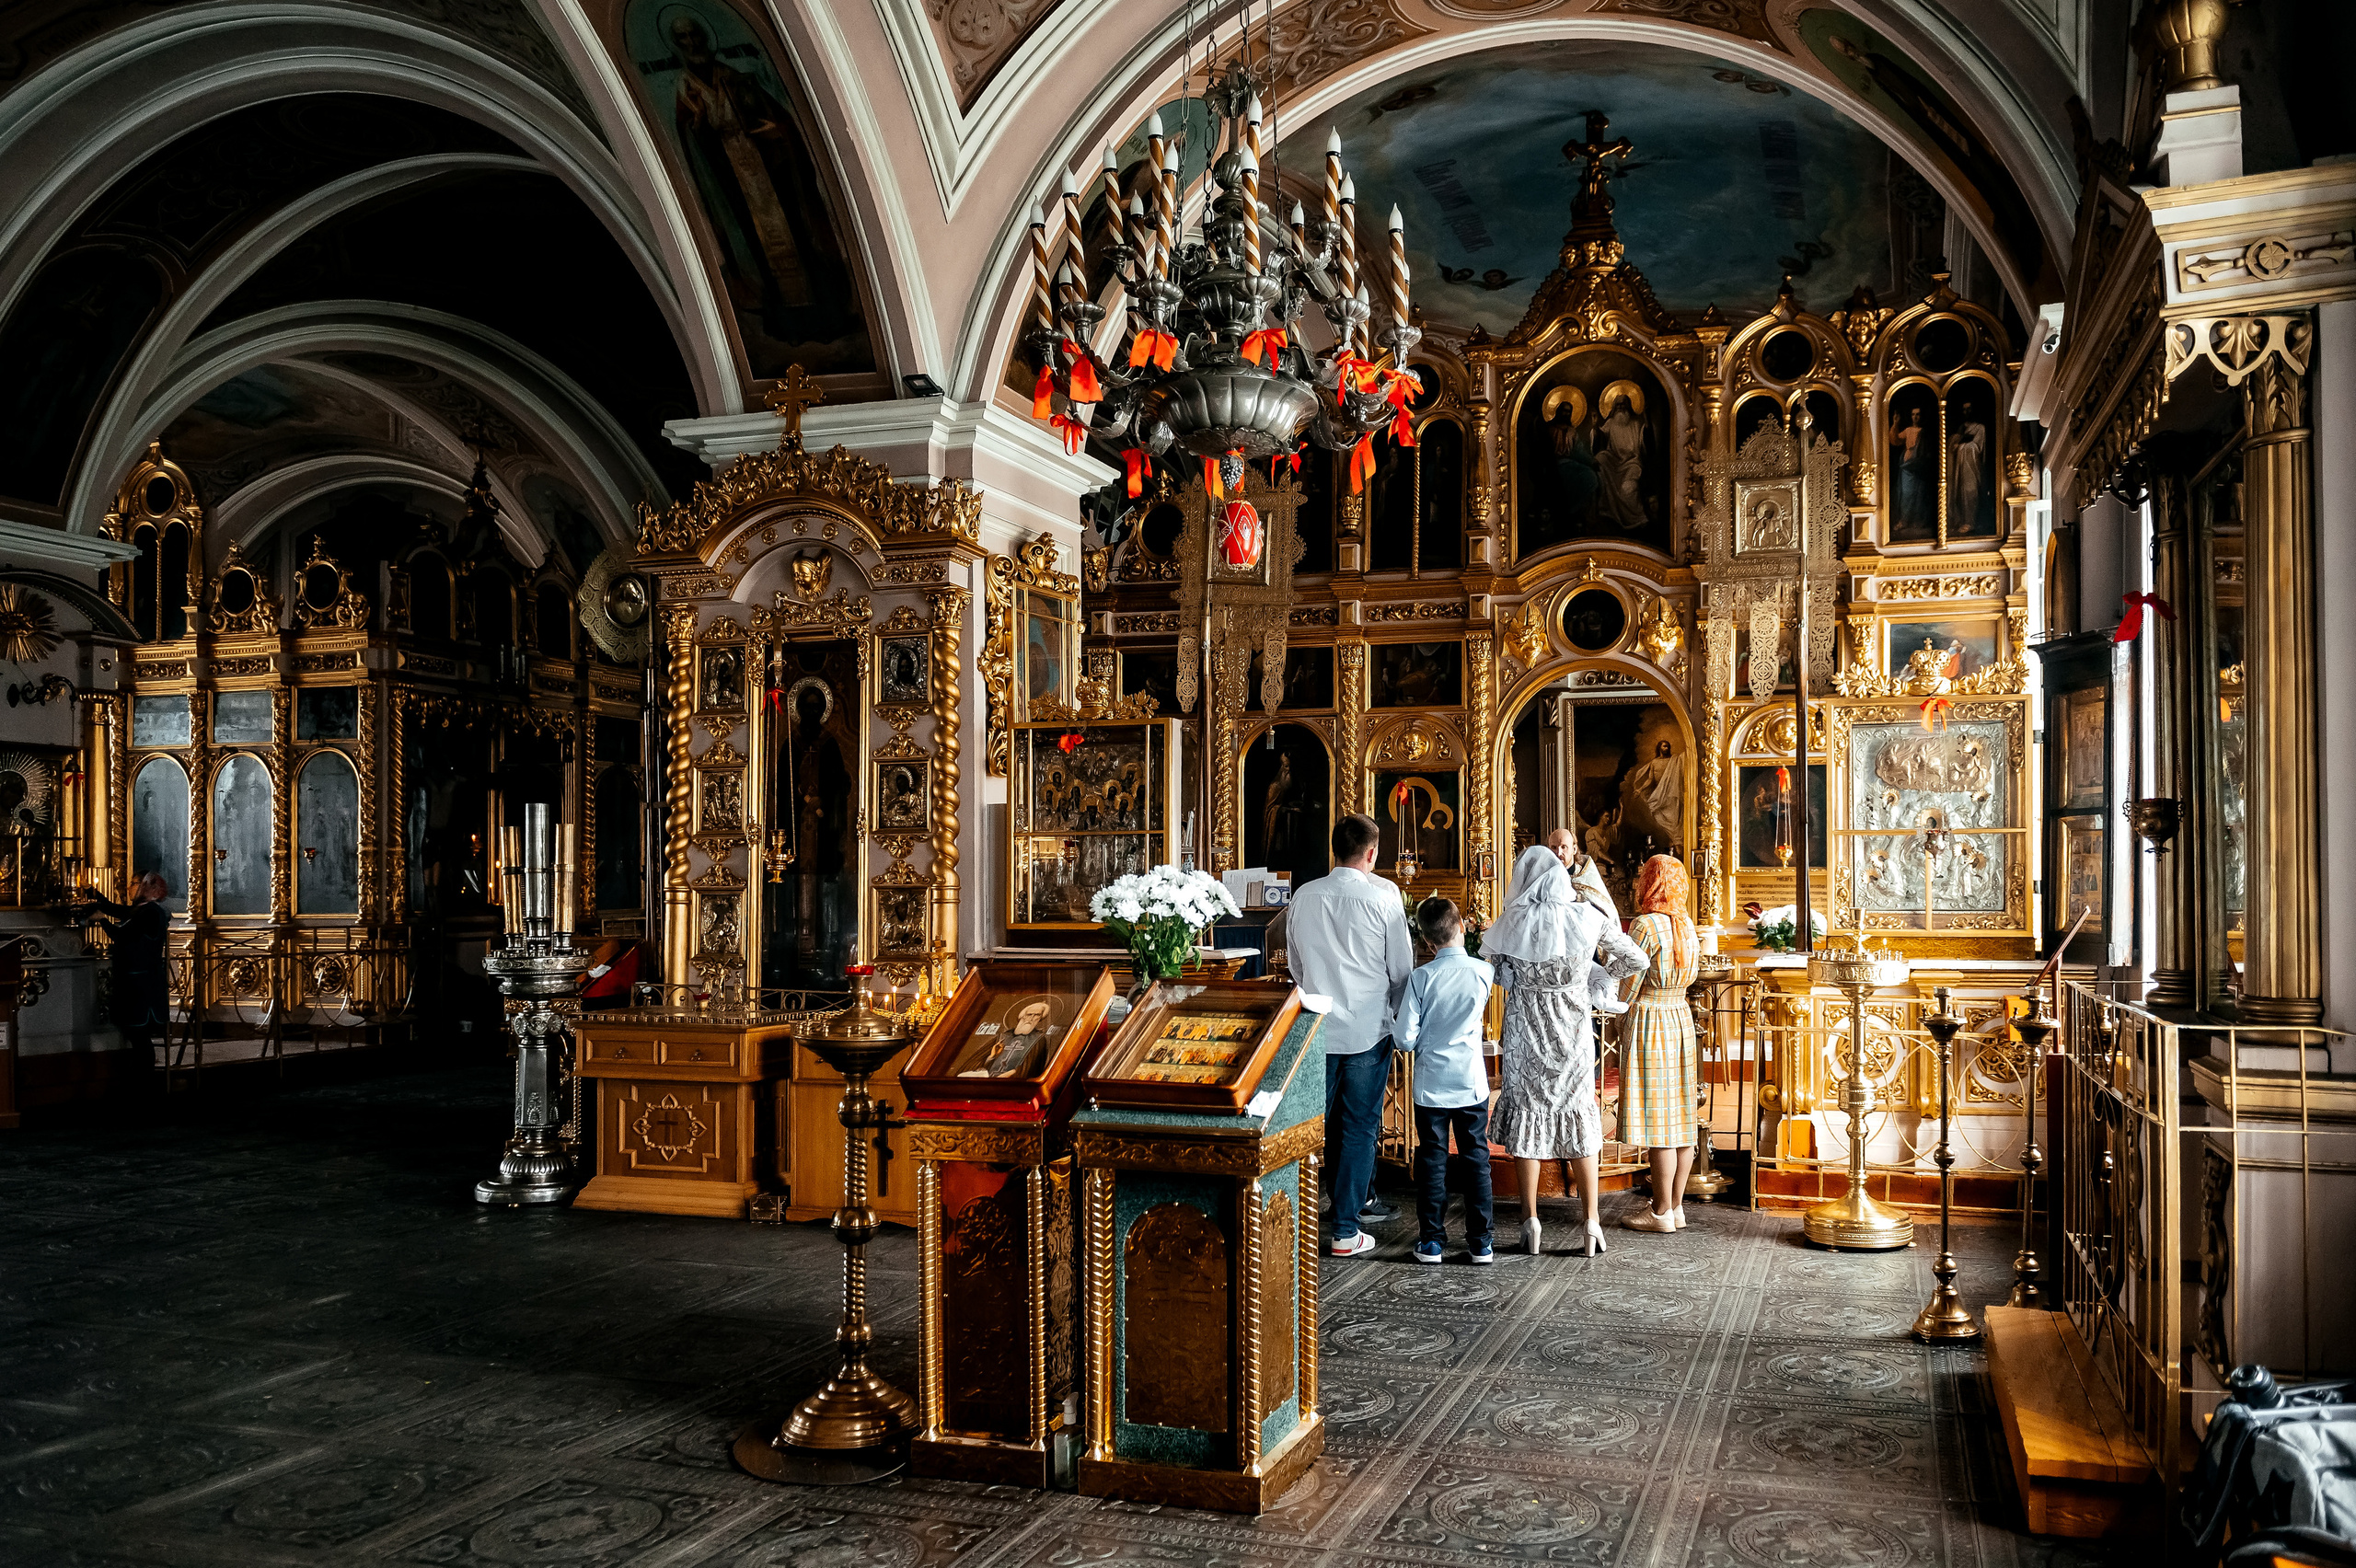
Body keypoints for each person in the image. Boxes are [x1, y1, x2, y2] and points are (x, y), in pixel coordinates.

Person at [1484, 846, 1646, 1257]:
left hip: (1524, 1034)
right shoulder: (1586, 916)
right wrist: (1594, 976)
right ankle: (1591, 1221)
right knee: (1578, 1116)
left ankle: (1530, 1220)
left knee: (1528, 1114)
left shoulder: (1511, 922)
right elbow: (1635, 958)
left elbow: (1497, 971)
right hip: (1572, 1032)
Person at [1287, 812, 1414, 1257]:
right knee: (1359, 1128)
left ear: (1334, 850)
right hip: (1366, 1028)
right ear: (1373, 853)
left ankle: (1290, 1226)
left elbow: (1296, 966)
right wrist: (1396, 1015)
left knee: (1306, 1128)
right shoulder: (1384, 898)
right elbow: (1401, 970)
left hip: (1315, 1027)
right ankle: (1344, 1230)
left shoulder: (1304, 896)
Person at [1394, 897, 1496, 1266]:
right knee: (1476, 1159)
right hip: (1470, 1080)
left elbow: (1404, 1038)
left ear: (1425, 941)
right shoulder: (1483, 972)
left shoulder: (1422, 977)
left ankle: (1432, 1242)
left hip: (1432, 1083)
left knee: (1433, 1160)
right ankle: (1481, 1242)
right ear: (1462, 927)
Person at [1618, 856, 1703, 1234]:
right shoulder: (1687, 926)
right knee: (1681, 1116)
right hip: (1679, 1016)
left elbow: (1628, 980)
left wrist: (1620, 1008)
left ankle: (1658, 1211)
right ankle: (1677, 1208)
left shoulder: (1645, 925)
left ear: (1650, 883)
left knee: (1659, 1120)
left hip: (1651, 1017)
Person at [76, 872, 172, 1094]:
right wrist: (91, 891)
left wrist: (100, 919)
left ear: (149, 888)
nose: (131, 888)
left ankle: (144, 1084)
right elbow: (117, 910)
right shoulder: (144, 910)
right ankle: (141, 1081)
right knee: (136, 1036)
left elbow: (122, 935)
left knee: (140, 1037)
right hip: (135, 981)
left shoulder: (151, 913)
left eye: (135, 884)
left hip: (142, 984)